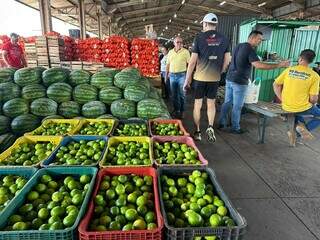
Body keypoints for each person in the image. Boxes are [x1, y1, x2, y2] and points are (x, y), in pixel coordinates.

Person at [218, 30, 290, 134]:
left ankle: (222, 123)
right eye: (259, 39)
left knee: (227, 102)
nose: (260, 41)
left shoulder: (239, 45)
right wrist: (279, 65)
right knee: (237, 106)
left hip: (230, 78)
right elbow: (259, 65)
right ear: (252, 37)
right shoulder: (249, 49)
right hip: (239, 82)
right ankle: (235, 128)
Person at [184, 13, 230, 142]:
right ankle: (210, 127)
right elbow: (227, 60)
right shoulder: (225, 39)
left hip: (199, 78)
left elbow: (192, 62)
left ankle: (198, 131)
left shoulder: (199, 38)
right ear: (216, 24)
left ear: (204, 24)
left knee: (197, 105)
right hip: (214, 79)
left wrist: (187, 79)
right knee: (211, 104)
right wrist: (220, 72)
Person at [273, 49, 320, 143]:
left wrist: (281, 98)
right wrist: (313, 103)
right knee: (315, 114)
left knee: (297, 113)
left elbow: (275, 84)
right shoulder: (315, 76)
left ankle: (297, 130)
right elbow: (313, 98)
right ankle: (298, 133)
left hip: (286, 105)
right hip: (302, 107)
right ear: (311, 61)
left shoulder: (289, 70)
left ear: (300, 58)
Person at [166, 37, 190, 119]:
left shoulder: (186, 52)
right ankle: (176, 110)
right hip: (172, 75)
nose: (179, 43)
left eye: (181, 42)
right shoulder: (170, 52)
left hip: (181, 76)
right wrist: (166, 75)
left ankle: (182, 111)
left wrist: (189, 78)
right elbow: (168, 64)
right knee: (174, 95)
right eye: (177, 42)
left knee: (182, 94)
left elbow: (190, 64)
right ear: (174, 43)